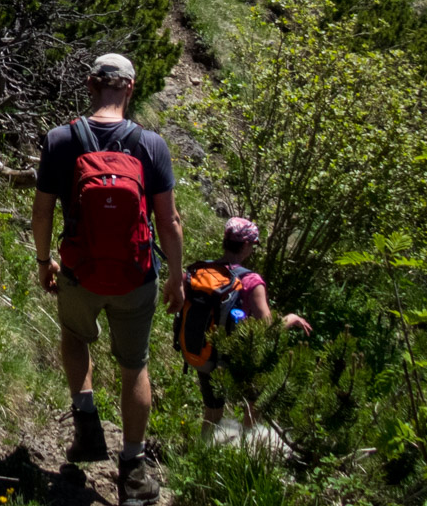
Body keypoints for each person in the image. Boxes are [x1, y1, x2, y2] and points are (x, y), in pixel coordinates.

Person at [32, 52, 185, 506]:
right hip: (137, 278)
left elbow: (42, 211)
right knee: (134, 363)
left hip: (80, 273)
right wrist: (177, 277)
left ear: (90, 85)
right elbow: (170, 220)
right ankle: (133, 474)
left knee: (75, 337)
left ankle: (86, 425)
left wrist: (45, 262)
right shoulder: (150, 145)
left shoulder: (62, 140)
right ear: (130, 88)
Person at [190, 216, 312, 437]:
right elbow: (269, 328)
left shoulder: (205, 271)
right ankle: (247, 451)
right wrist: (292, 318)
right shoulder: (251, 281)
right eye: (253, 245)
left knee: (212, 411)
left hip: (204, 352)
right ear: (245, 245)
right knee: (252, 407)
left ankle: (202, 454)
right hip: (237, 359)